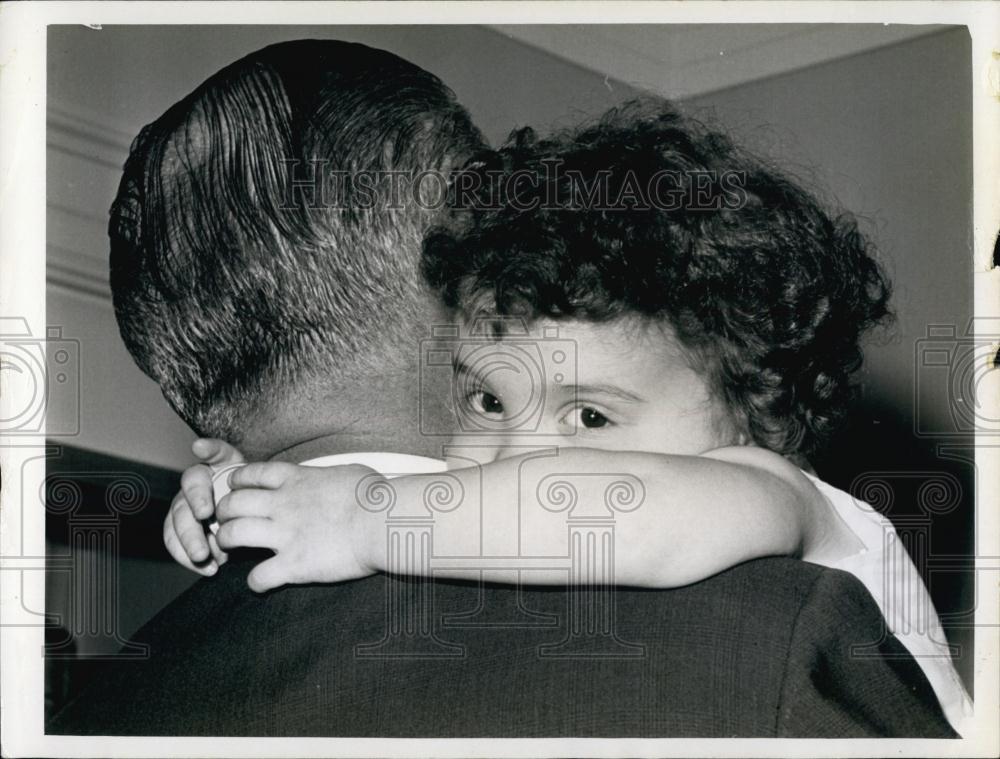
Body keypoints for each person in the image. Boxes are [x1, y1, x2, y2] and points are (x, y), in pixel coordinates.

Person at [49, 40, 955, 738]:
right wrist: (243, 492)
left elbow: (609, 510)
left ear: (751, 422)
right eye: (486, 400)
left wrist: (368, 515)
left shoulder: (774, 496)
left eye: (591, 414)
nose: (521, 455)